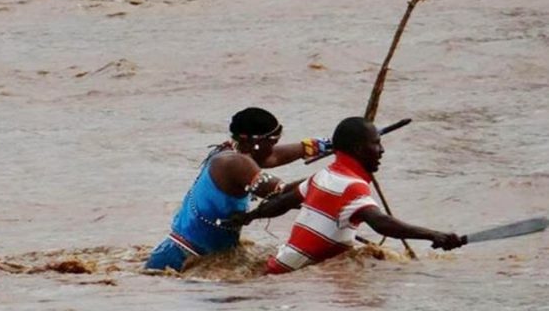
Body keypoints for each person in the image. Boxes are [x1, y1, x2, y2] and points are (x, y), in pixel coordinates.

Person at [226, 116, 464, 274]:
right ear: (360, 149)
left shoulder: (323, 176)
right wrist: (435, 235)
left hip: (278, 267)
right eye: (376, 143)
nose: (382, 150)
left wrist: (249, 217)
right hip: (289, 276)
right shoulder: (352, 186)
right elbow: (381, 223)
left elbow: (281, 203)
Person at [144, 107, 332, 272]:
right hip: (181, 259)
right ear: (251, 141)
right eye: (271, 142)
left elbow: (273, 156)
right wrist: (334, 176)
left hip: (195, 256)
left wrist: (324, 145)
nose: (273, 148)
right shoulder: (234, 163)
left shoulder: (233, 152)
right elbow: (280, 194)